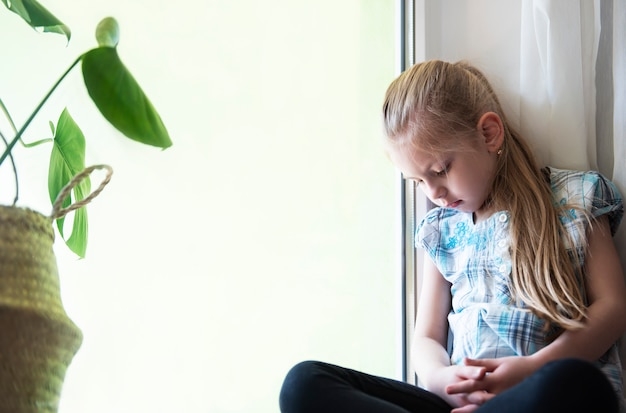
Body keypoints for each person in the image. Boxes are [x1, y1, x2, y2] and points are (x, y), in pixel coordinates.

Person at [279, 59, 626, 413]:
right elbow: (427, 338)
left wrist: (531, 370)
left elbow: (612, 308)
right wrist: (443, 380)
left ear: (489, 134)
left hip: (537, 390)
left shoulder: (574, 198)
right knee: (304, 383)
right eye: (418, 181)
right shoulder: (441, 231)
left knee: (576, 382)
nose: (434, 194)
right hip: (458, 403)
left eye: (441, 169)